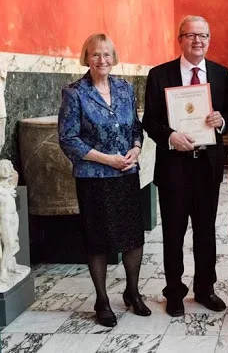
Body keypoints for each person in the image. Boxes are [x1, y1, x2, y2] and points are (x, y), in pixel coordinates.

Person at [142, 16, 228, 317]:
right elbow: (150, 121)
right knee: (173, 234)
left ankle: (205, 289)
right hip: (174, 168)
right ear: (179, 39)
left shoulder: (221, 74)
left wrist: (221, 122)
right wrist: (170, 137)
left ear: (209, 39)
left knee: (206, 233)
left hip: (207, 167)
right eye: (191, 35)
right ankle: (174, 293)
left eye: (203, 35)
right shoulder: (159, 74)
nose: (197, 41)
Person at [58, 34, 151, 327]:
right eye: (96, 55)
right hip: (94, 178)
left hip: (126, 175)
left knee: (133, 237)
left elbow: (136, 126)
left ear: (114, 57)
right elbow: (68, 139)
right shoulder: (74, 93)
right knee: (97, 240)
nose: (102, 60)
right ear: (86, 57)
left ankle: (133, 292)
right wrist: (106, 158)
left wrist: (136, 148)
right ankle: (102, 300)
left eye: (107, 55)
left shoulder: (125, 88)